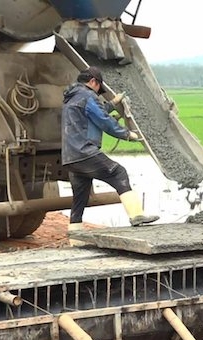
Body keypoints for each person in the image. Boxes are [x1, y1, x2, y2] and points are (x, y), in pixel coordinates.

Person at [61, 66, 159, 239]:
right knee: (118, 173)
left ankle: (75, 237)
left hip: (70, 156)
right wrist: (127, 134)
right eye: (99, 88)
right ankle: (136, 216)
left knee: (80, 195)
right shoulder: (88, 96)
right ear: (93, 82)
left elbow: (94, 112)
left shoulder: (73, 97)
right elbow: (103, 121)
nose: (99, 92)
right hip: (85, 152)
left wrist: (112, 104)